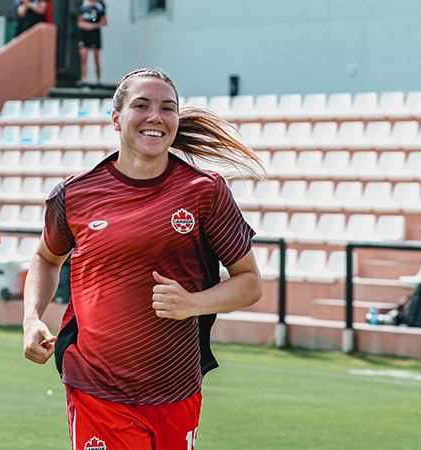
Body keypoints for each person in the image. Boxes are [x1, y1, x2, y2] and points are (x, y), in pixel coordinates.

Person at [23, 68, 264, 449]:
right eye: (142, 105)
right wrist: (32, 318)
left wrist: (193, 304)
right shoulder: (75, 193)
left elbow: (250, 282)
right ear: (116, 118)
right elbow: (46, 258)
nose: (156, 116)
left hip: (177, 387)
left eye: (168, 108)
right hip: (96, 386)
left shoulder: (206, 191)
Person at [77, 0, 107, 87]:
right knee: (83, 58)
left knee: (96, 58)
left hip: (94, 34)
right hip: (84, 35)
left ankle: (98, 81)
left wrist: (93, 26)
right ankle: (85, 81)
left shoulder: (98, 7)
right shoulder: (84, 7)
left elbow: (104, 21)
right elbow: (79, 22)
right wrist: (84, 25)